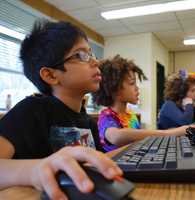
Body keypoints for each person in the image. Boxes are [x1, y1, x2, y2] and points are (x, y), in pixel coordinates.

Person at [0, 20, 122, 200]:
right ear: (50, 75)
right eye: (80, 55)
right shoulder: (32, 109)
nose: (96, 61)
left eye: (91, 53)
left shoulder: (87, 120)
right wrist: (36, 170)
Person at [92, 55, 190, 152]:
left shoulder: (131, 115)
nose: (137, 88)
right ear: (115, 90)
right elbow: (116, 136)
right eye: (132, 83)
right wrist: (170, 133)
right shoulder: (106, 116)